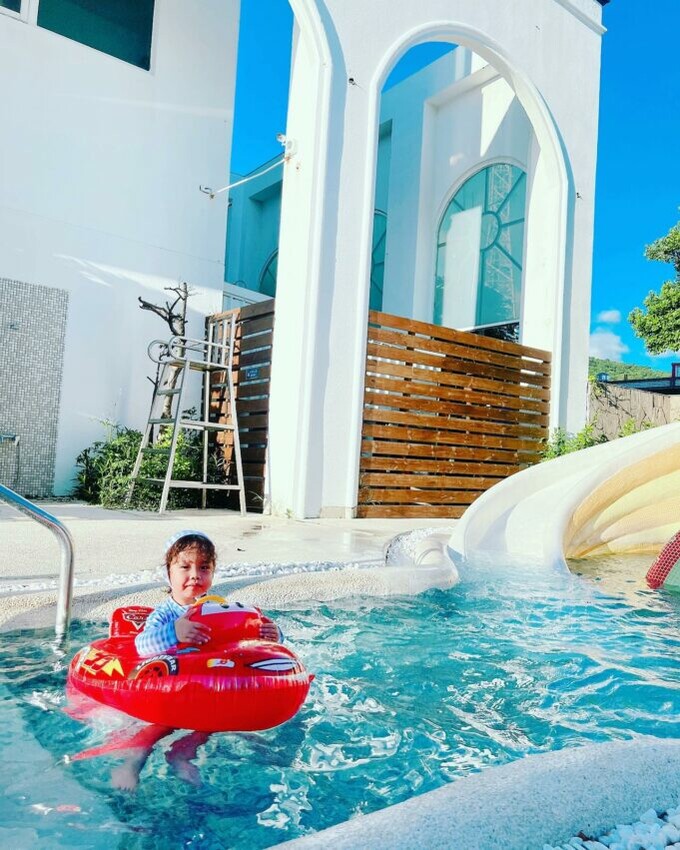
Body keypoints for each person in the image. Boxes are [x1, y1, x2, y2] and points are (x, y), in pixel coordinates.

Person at [102, 530, 281, 790]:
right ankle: (131, 764)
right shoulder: (164, 615)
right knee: (158, 727)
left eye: (204, 567)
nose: (195, 574)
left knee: (210, 724)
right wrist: (174, 633)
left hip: (207, 686)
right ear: (168, 573)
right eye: (185, 567)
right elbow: (142, 646)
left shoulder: (218, 609)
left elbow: (245, 641)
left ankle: (181, 754)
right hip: (173, 690)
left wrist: (271, 634)